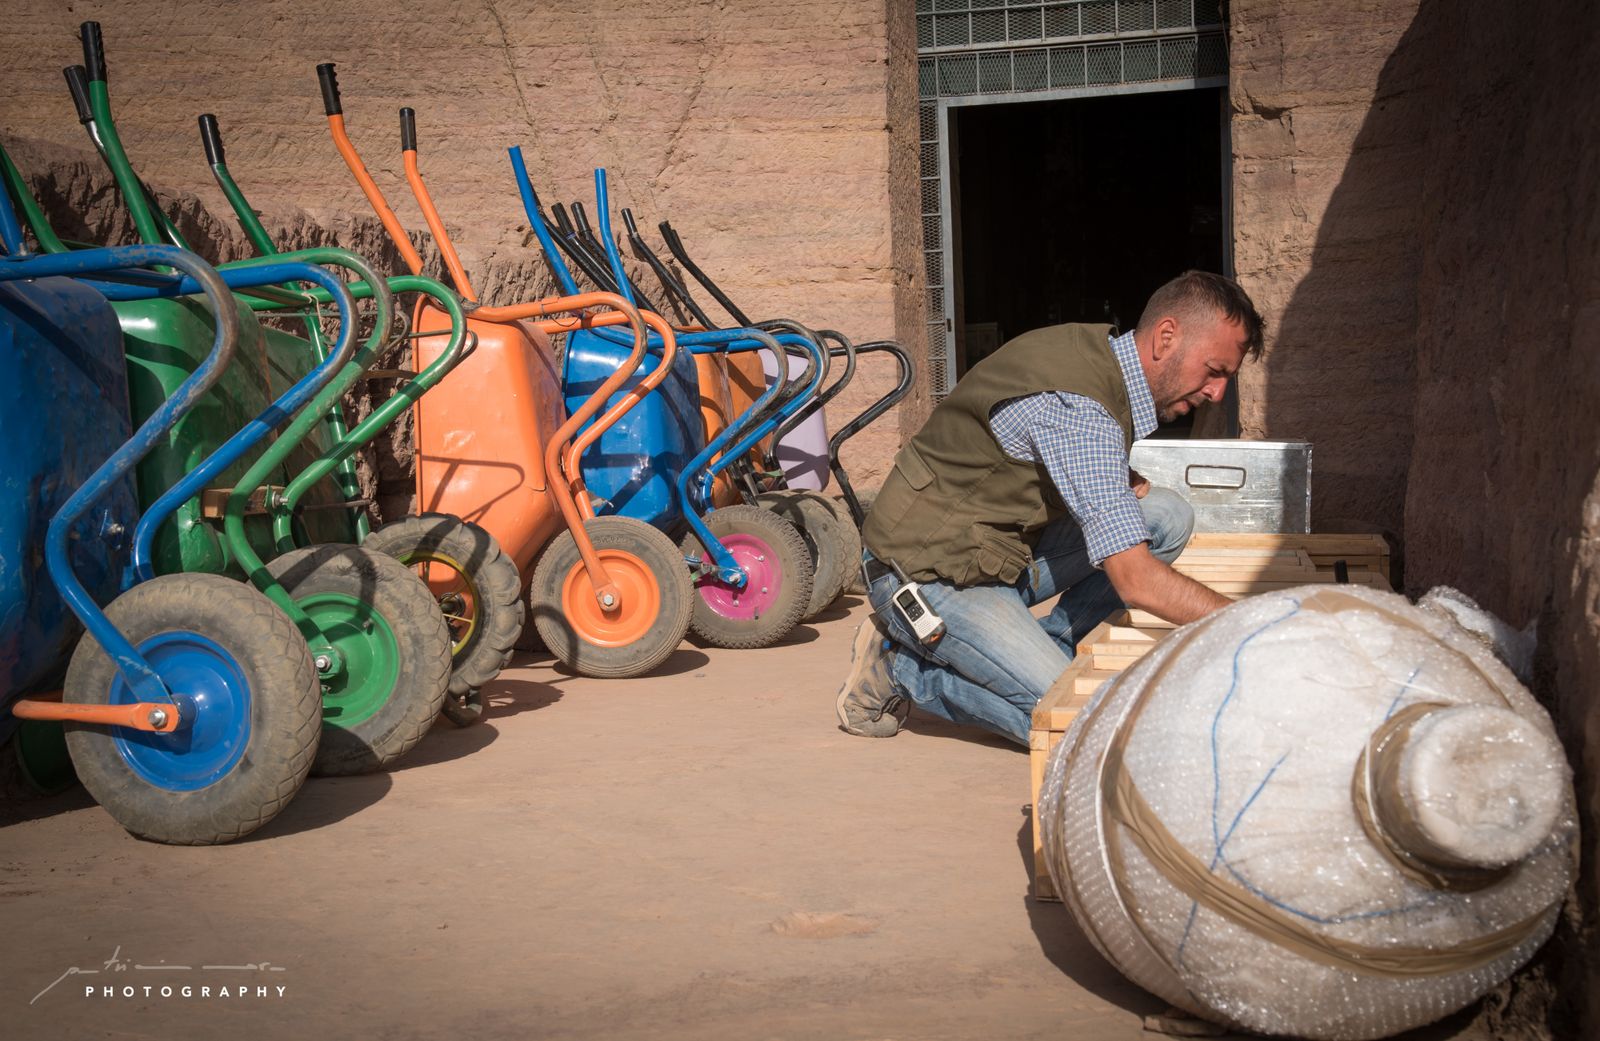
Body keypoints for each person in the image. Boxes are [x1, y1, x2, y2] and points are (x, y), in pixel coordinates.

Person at [836, 270, 1264, 744]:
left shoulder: (1096, 360)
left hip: (990, 549)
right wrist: (1253, 625)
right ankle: (901, 670)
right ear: (1166, 337)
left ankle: (1044, 652)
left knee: (1166, 515)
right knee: (1081, 722)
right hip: (926, 573)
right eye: (1215, 371)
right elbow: (1135, 579)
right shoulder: (1079, 406)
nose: (1217, 393)